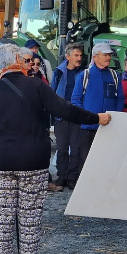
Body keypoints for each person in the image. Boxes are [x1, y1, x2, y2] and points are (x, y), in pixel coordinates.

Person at [0, 43, 110, 254]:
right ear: (16, 59)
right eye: (24, 58)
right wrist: (96, 118)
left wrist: (3, 142)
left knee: (3, 219)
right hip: (34, 163)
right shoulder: (37, 86)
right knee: (30, 220)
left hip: (3, 163)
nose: (28, 62)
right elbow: (65, 109)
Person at [71, 43, 124, 178]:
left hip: (109, 126)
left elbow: (120, 98)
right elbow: (76, 99)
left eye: (109, 55)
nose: (108, 57)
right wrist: (86, 118)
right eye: (105, 55)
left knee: (106, 160)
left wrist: (115, 118)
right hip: (88, 128)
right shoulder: (85, 75)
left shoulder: (114, 75)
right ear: (95, 57)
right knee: (86, 160)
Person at [51, 44, 84, 190]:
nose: (79, 58)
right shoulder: (58, 73)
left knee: (75, 148)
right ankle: (62, 176)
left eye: (80, 55)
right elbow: (51, 92)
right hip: (62, 114)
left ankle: (72, 178)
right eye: (76, 55)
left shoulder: (83, 73)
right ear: (68, 57)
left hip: (77, 113)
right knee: (63, 148)